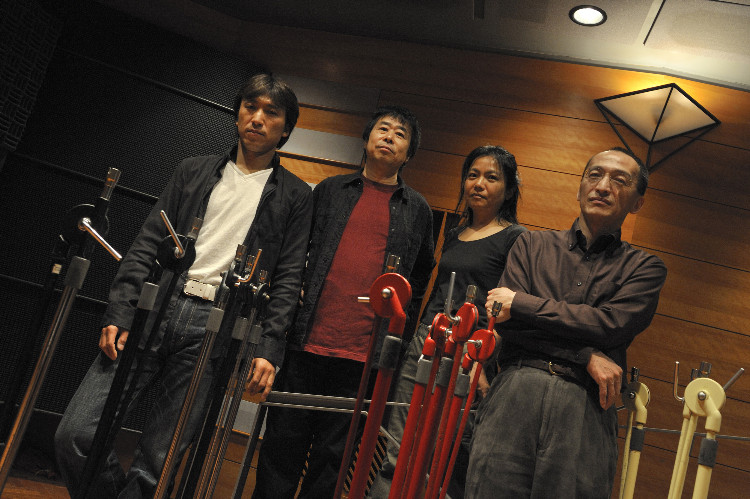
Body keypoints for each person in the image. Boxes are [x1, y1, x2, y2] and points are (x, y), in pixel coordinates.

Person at [54, 73, 313, 498]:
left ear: (286, 129)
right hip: (157, 306)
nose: (257, 118)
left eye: (271, 112)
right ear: (237, 114)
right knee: (75, 434)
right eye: (250, 107)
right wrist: (121, 309)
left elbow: (288, 277)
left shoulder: (296, 195)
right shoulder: (192, 169)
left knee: (158, 462)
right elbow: (147, 243)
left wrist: (269, 347)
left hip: (217, 325)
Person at [252, 105, 435, 499]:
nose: (389, 137)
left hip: (364, 357)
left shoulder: (418, 209)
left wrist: (399, 332)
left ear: (409, 154)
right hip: (306, 343)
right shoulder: (330, 190)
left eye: (400, 134)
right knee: (281, 447)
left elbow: (419, 277)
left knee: (332, 462)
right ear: (366, 139)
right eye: (383, 129)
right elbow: (297, 250)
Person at [465, 147, 668, 498]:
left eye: (619, 180)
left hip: (584, 406)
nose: (602, 186)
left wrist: (523, 304)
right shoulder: (531, 245)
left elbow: (609, 325)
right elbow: (505, 321)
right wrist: (586, 355)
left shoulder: (645, 268)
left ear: (637, 203)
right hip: (515, 392)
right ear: (580, 187)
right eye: (594, 175)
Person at [368, 145, 527, 498]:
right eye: (472, 175)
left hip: (468, 352)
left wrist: (481, 361)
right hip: (427, 341)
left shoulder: (516, 237)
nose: (479, 184)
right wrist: (416, 341)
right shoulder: (455, 233)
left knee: (438, 457)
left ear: (509, 190)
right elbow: (438, 292)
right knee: (397, 447)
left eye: (491, 177)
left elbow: (505, 308)